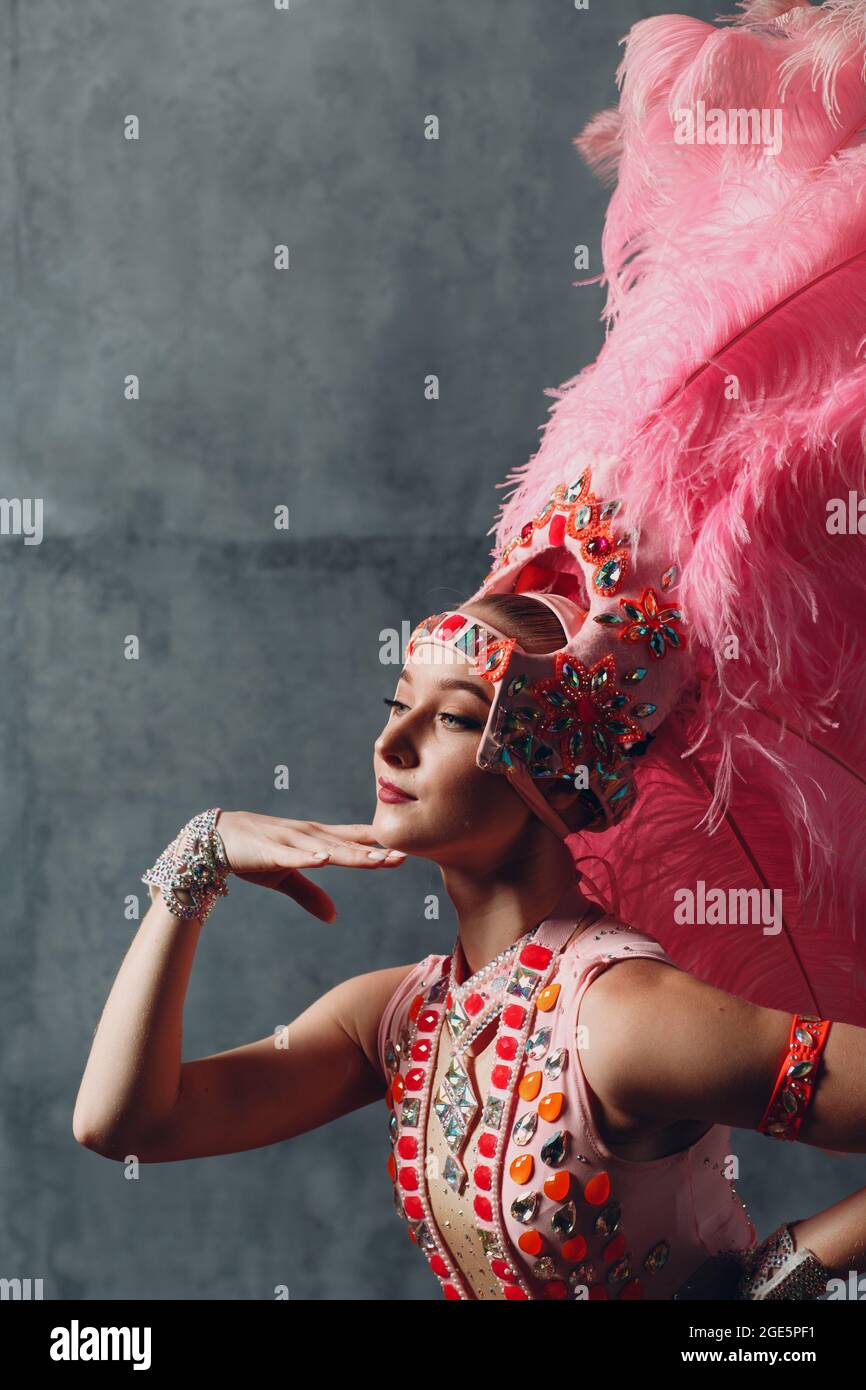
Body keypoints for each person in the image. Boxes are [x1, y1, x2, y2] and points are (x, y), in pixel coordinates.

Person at [72, 589, 866, 1300]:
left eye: (452, 717)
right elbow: (127, 1124)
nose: (392, 744)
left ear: (559, 780)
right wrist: (197, 857)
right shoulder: (400, 1019)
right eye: (396, 703)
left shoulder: (624, 1021)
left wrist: (776, 1292)